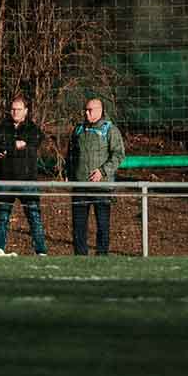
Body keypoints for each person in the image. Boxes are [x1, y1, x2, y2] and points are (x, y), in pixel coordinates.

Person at [0, 94, 46, 257]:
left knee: (34, 217)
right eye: (13, 109)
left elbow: (34, 141)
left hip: (27, 181)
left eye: (18, 109)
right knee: (2, 218)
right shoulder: (1, 127)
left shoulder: (33, 129)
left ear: (26, 111)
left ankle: (41, 251)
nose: (15, 112)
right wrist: (14, 145)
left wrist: (7, 148)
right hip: (5, 180)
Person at [64, 96, 124, 256]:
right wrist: (68, 172)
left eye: (90, 110)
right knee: (78, 226)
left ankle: (102, 257)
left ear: (100, 111)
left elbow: (118, 155)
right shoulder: (78, 130)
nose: (86, 113)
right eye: (85, 110)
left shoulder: (110, 130)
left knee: (102, 225)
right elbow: (71, 154)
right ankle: (80, 257)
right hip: (80, 186)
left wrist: (102, 171)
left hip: (101, 188)